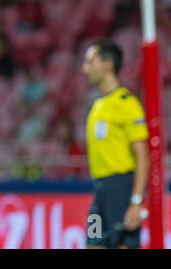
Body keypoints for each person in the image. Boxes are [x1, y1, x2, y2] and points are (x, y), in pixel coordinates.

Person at [82, 39, 150, 249]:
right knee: (93, 242)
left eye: (90, 62)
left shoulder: (126, 103)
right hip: (100, 192)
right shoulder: (98, 105)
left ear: (107, 65)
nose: (85, 69)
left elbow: (143, 157)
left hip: (121, 189)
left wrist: (136, 202)